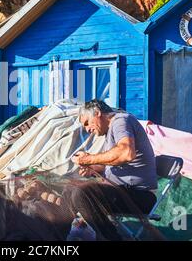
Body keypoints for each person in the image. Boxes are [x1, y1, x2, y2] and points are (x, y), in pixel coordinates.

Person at [67, 99, 158, 239]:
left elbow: (127, 152)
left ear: (97, 113)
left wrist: (88, 159)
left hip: (140, 195)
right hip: (123, 192)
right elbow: (111, 163)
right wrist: (92, 169)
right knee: (69, 189)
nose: (87, 129)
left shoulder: (121, 121)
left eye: (86, 123)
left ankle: (111, 238)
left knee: (82, 194)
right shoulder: (109, 133)